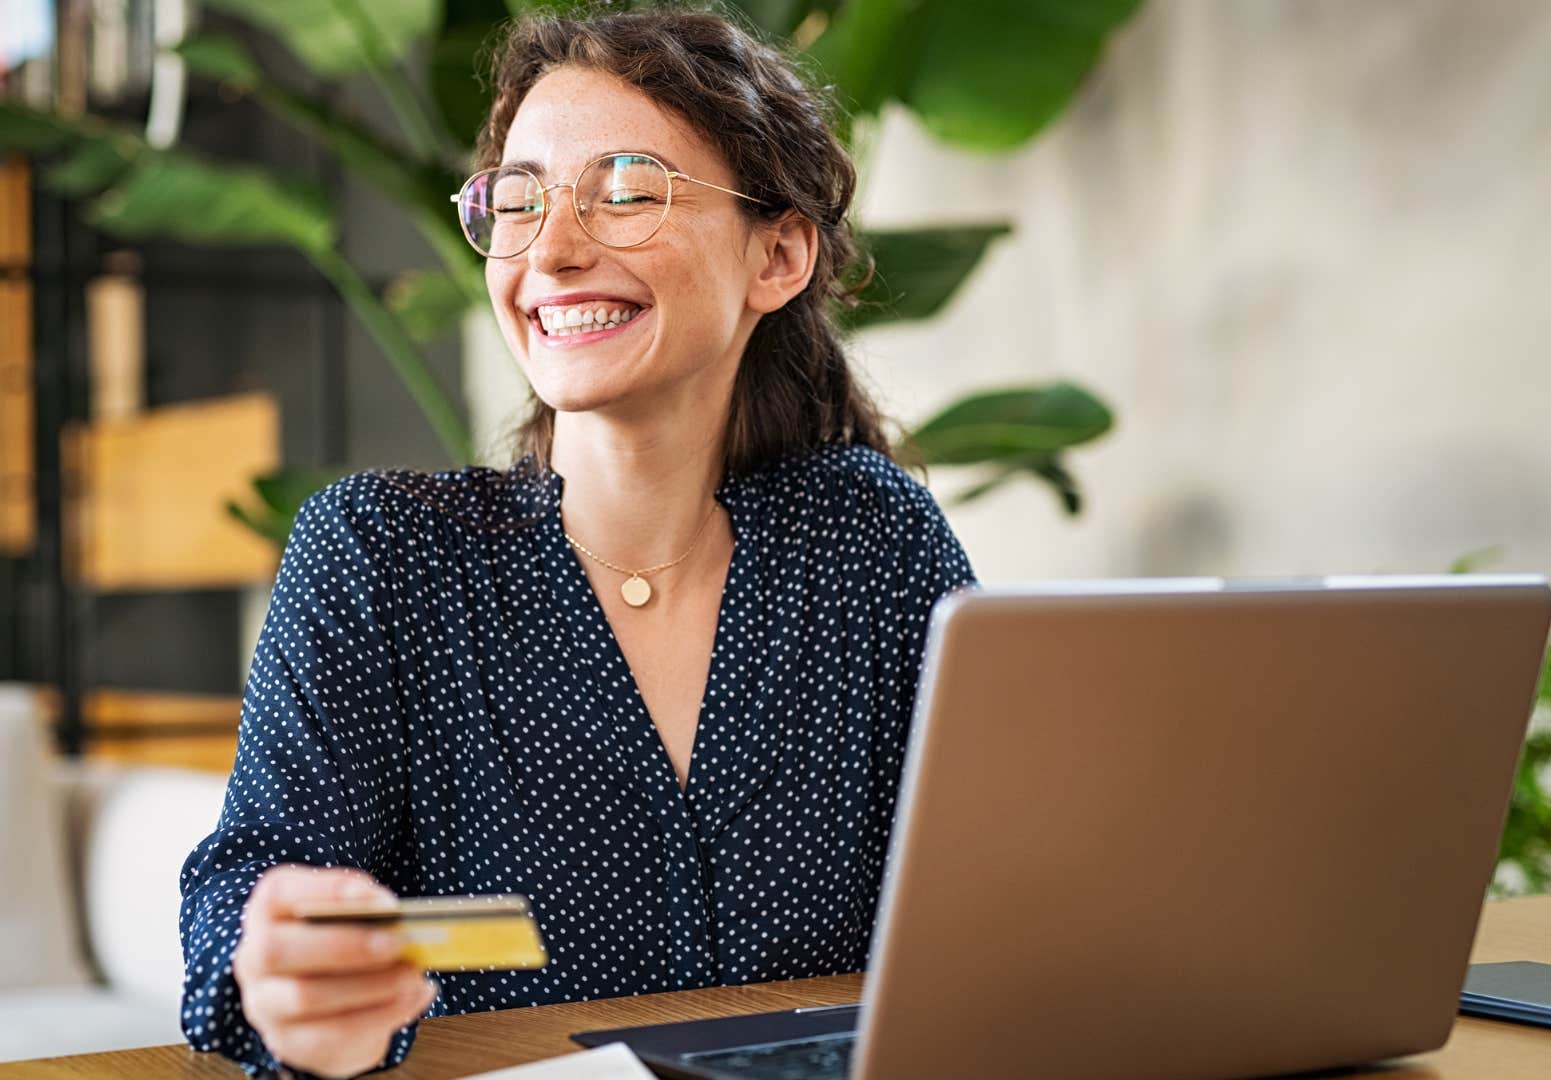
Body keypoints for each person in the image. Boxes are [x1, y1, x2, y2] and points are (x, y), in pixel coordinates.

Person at [178, 7, 978, 1078]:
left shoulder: (870, 544)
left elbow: (993, 902)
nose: (551, 250)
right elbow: (247, 889)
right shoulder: (382, 556)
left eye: (629, 191)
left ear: (778, 253)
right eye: (518, 199)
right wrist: (277, 966)